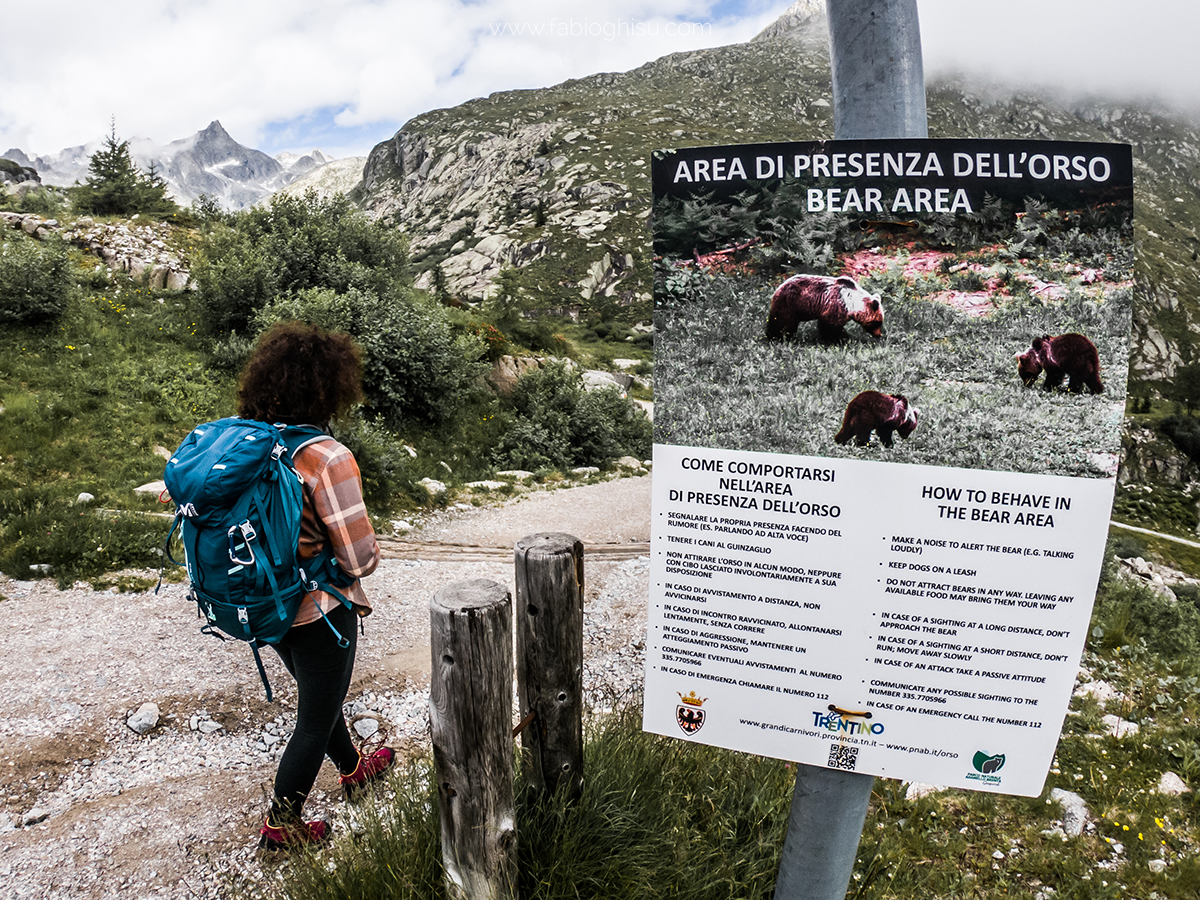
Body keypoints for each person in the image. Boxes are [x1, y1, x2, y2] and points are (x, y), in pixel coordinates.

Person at [235, 321, 392, 851]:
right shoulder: (327, 456)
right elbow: (358, 558)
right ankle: (282, 825)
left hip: (262, 603)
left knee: (317, 700)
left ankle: (353, 769)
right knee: (313, 716)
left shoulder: (247, 442)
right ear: (328, 387)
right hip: (318, 609)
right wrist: (371, 550)